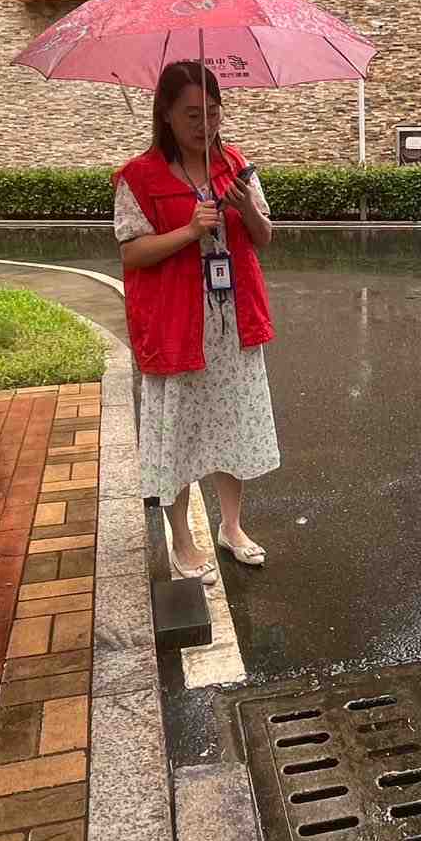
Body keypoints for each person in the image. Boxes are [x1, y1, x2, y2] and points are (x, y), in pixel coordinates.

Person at [114, 61, 280, 583]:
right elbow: (132, 253)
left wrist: (246, 208)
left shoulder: (236, 165)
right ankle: (182, 540)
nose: (204, 124)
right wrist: (189, 231)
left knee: (234, 426)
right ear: (165, 114)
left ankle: (232, 527)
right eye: (191, 114)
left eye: (212, 112)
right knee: (180, 433)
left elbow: (264, 237)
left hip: (232, 325)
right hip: (176, 327)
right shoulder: (139, 177)